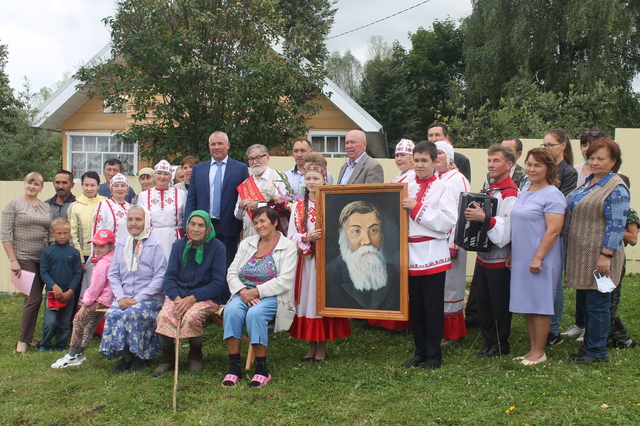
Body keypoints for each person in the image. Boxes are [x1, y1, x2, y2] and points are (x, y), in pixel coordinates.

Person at [565, 138, 629, 364]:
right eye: (591, 157)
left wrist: (606, 255)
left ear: (613, 162)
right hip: (583, 256)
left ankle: (596, 352)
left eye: (601, 158)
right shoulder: (591, 182)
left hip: (600, 256)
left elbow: (617, 225)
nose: (595, 162)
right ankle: (589, 346)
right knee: (587, 302)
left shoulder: (616, 187)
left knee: (598, 304)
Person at [221, 207, 297, 387]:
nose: (258, 225)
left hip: (272, 296)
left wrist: (256, 292)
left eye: (262, 221)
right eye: (255, 222)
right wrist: (242, 291)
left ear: (275, 222)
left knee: (255, 314)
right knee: (231, 311)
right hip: (244, 293)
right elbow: (232, 272)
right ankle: (234, 368)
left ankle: (262, 370)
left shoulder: (288, 247)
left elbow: (285, 281)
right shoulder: (247, 243)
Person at [401, 141, 457, 370]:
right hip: (411, 254)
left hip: (433, 253)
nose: (419, 165)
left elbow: (447, 221)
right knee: (417, 307)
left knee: (433, 307)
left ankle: (434, 355)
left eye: (424, 160)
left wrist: (416, 208)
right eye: (416, 160)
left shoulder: (443, 188)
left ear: (435, 162)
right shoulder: (406, 185)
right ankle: (420, 351)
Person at [287, 162, 351, 361]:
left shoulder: (332, 205)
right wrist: (306, 238)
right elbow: (291, 236)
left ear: (325, 180)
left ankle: (322, 347)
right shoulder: (298, 207)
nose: (312, 182)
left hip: (327, 262)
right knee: (308, 302)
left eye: (316, 178)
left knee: (323, 301)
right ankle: (311, 346)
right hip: (307, 263)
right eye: (308, 178)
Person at [508, 148, 566, 365]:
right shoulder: (526, 190)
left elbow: (553, 230)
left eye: (537, 165)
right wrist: (513, 253)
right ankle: (532, 350)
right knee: (527, 303)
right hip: (523, 255)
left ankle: (540, 352)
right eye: (530, 164)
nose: (532, 169)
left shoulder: (553, 194)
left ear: (549, 168)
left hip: (541, 258)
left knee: (540, 304)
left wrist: (538, 257)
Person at [152, 211, 227, 377]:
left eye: (201, 225)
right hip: (178, 295)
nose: (196, 228)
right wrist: (177, 298)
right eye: (192, 224)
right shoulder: (178, 246)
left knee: (192, 316)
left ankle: (195, 356)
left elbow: (217, 283)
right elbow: (170, 277)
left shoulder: (217, 247)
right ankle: (167, 360)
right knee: (164, 316)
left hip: (205, 297)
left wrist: (193, 299)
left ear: (208, 228)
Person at [466, 144, 519, 358]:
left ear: (509, 164)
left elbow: (507, 230)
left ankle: (500, 342)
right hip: (484, 257)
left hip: (499, 257)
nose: (491, 164)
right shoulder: (489, 190)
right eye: (489, 160)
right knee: (484, 300)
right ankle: (488, 340)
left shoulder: (511, 193)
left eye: (496, 160)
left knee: (499, 302)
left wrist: (485, 219)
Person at [100, 206, 167, 373]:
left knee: (133, 313)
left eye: (138, 219)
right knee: (113, 313)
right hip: (125, 297)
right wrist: (121, 297)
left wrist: (137, 299)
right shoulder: (122, 243)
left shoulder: (155, 245)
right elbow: (114, 274)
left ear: (146, 221)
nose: (134, 223)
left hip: (148, 298)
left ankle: (140, 356)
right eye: (130, 219)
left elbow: (160, 278)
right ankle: (126, 356)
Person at [2, 172, 53, 353]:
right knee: (34, 298)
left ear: (42, 187)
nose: (32, 186)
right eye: (30, 183)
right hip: (23, 257)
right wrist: (13, 260)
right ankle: (22, 342)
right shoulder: (14, 204)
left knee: (33, 299)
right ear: (24, 184)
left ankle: (29, 336)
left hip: (43, 258)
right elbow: (6, 234)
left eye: (36, 184)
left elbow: (50, 232)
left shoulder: (45, 207)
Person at [185, 131, 250, 274]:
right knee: (203, 265)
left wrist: (242, 227)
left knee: (228, 266)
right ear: (209, 146)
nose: (216, 147)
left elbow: (245, 199)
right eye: (213, 144)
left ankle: (226, 295)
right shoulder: (198, 169)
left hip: (230, 226)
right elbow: (192, 199)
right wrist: (189, 225)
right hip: (204, 226)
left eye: (220, 143)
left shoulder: (240, 168)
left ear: (228, 145)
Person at [367, 139, 415, 331]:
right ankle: (385, 316)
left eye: (403, 155)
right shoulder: (400, 176)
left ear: (412, 157)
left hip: (399, 230)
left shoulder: (411, 177)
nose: (399, 158)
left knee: (396, 271)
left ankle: (398, 319)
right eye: (396, 155)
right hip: (389, 228)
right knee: (389, 270)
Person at [51, 229, 116, 368]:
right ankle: (80, 353)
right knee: (91, 324)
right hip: (111, 300)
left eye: (102, 246)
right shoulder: (113, 259)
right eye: (96, 246)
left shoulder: (103, 264)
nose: (97, 249)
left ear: (111, 246)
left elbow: (95, 287)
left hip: (101, 300)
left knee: (79, 320)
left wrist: (85, 304)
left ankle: (73, 354)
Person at [325, 201, 400, 311]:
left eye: (373, 230)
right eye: (356, 231)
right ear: (342, 235)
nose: (367, 241)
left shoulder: (393, 273)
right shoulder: (330, 274)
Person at [541, 129, 578, 346]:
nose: (546, 149)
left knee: (554, 283)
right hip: (539, 232)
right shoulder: (544, 169)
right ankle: (541, 325)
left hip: (557, 233)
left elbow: (560, 204)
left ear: (563, 145)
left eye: (550, 145)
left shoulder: (568, 173)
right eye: (544, 145)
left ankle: (552, 330)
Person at [434, 141, 470, 344]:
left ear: (449, 157)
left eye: (440, 153)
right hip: (437, 241)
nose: (437, 156)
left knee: (451, 287)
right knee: (440, 288)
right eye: (435, 152)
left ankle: (451, 333)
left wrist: (453, 244)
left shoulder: (458, 179)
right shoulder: (437, 178)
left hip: (452, 241)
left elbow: (460, 214)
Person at [39, 217, 83, 352]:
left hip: (68, 294)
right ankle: (45, 344)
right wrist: (54, 286)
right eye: (59, 233)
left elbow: (77, 274)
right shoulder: (47, 252)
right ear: (52, 233)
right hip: (52, 294)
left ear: (69, 233)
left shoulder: (74, 253)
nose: (62, 236)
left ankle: (61, 345)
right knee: (50, 322)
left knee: (65, 323)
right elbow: (44, 272)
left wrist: (70, 291)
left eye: (65, 233)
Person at [607, 173, 637, 349]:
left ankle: (624, 339)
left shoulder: (629, 211)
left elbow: (633, 239)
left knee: (610, 303)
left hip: (616, 258)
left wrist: (613, 227)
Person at [235, 144, 288, 239]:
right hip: (249, 238)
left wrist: (258, 206)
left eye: (258, 157)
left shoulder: (278, 178)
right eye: (251, 159)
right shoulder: (245, 184)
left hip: (271, 237)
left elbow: (283, 207)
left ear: (267, 157)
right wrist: (240, 206)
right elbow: (237, 215)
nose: (254, 162)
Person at [137, 160, 187, 260]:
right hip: (152, 237)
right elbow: (140, 219)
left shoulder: (181, 194)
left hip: (174, 237)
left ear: (171, 176)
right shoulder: (143, 196)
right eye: (159, 173)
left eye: (166, 174)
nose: (162, 177)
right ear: (154, 176)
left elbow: (185, 217)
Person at [69, 171, 107, 262]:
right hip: (85, 254)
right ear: (82, 185)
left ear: (98, 186)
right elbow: (72, 235)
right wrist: (80, 258)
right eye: (86, 185)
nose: (89, 188)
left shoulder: (105, 204)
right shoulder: (75, 206)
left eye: (92, 185)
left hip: (104, 253)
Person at [92, 173, 132, 241]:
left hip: (127, 248)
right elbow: (97, 230)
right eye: (116, 186)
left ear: (127, 190)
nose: (120, 189)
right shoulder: (103, 205)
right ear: (111, 190)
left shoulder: (131, 207)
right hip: (110, 248)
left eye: (123, 186)